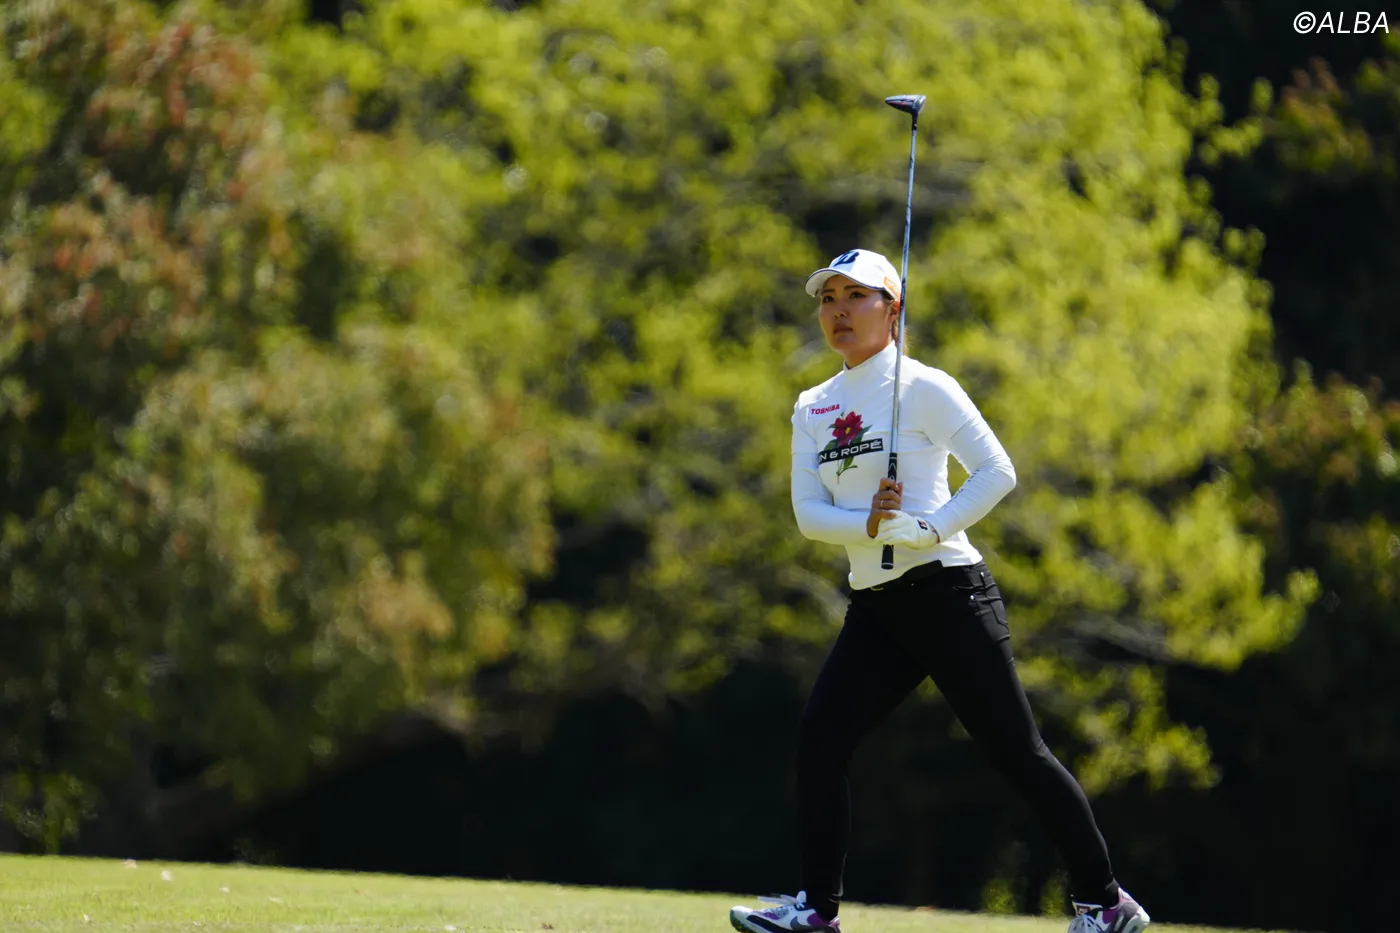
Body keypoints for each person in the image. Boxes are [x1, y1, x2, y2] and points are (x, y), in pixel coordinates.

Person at [728, 249, 1151, 933]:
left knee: (1017, 751)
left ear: (892, 309)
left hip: (949, 593)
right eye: (828, 298)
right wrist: (869, 523)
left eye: (856, 296)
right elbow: (809, 515)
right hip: (877, 607)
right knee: (821, 740)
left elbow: (997, 470)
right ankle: (817, 912)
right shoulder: (812, 405)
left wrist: (930, 525)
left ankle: (1106, 901)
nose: (838, 310)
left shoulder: (925, 387)